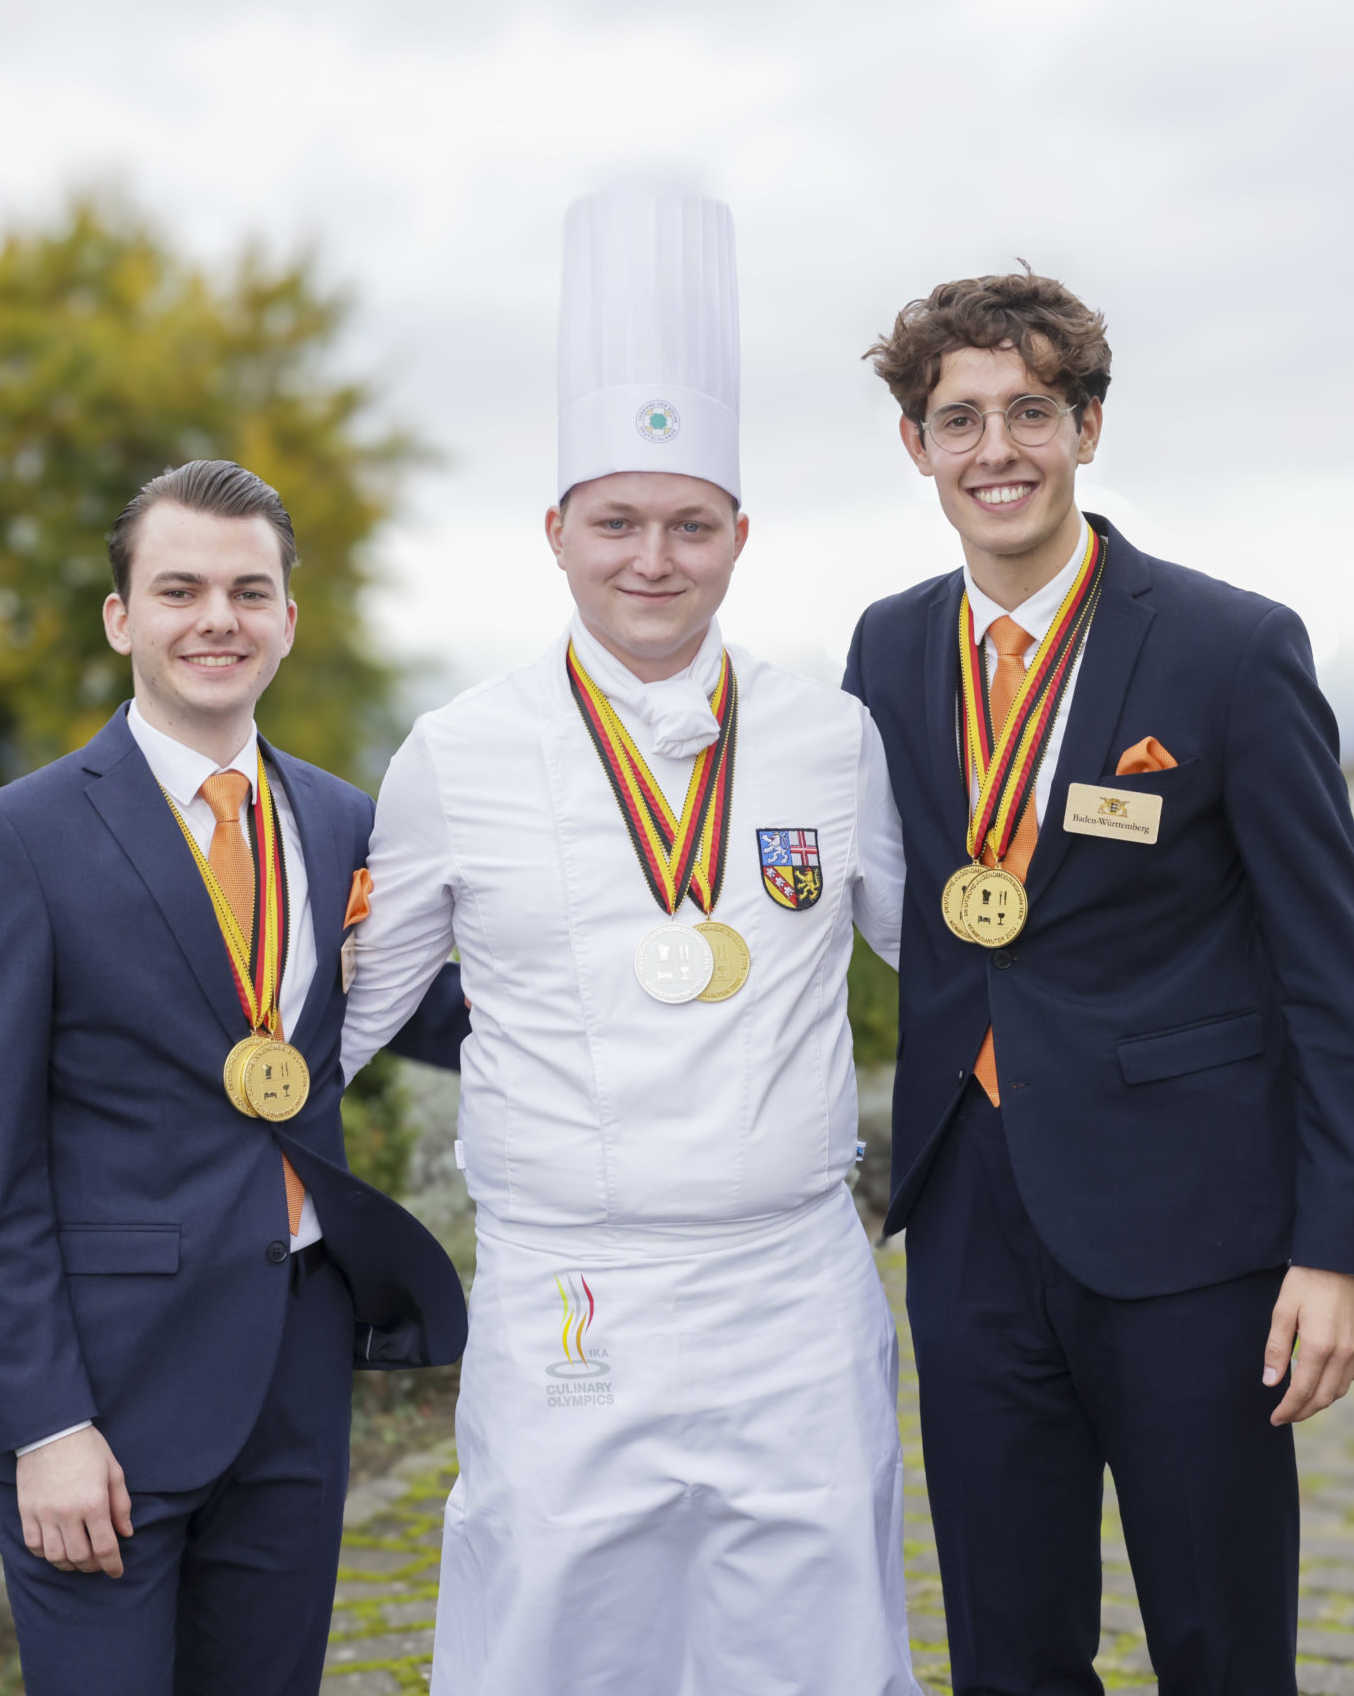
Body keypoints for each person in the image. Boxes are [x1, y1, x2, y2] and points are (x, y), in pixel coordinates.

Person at [338, 189, 921, 1696]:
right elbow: (332, 1018)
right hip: (569, 1289)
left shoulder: (830, 737)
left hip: (790, 1277)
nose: (651, 559)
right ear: (555, 530)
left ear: (739, 531)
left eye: (688, 522)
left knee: (814, 1645)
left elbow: (964, 956)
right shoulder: (455, 752)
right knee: (555, 1639)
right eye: (616, 521)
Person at [845, 272, 1354, 1695]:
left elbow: (1332, 968)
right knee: (1009, 1646)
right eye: (959, 418)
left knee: (1219, 1644)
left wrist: (1338, 1245)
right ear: (917, 444)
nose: (997, 450)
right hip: (971, 1208)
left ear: (1089, 425)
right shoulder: (889, 647)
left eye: (1032, 410)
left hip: (1191, 1224)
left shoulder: (1230, 646)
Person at [0, 460, 472, 1696]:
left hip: (295, 1362)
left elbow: (443, 1016)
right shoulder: (14, 841)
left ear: (287, 619)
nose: (216, 618)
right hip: (103, 1396)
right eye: (179, 590)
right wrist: (42, 1426)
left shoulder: (342, 823)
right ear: (122, 619)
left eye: (247, 591)